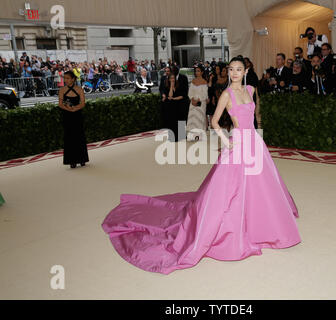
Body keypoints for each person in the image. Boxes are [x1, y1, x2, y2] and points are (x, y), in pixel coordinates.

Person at [101, 55, 301, 275]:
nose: (234, 73)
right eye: (231, 69)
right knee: (231, 191)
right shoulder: (227, 94)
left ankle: (262, 225)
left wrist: (259, 131)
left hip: (255, 142)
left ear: (245, 72)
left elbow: (256, 115)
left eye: (238, 69)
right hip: (237, 143)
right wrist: (227, 142)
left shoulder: (252, 90)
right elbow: (214, 122)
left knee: (261, 185)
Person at [58, 71, 89, 168]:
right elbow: (60, 104)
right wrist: (68, 109)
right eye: (65, 78)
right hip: (67, 116)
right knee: (69, 137)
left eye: (67, 78)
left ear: (73, 79)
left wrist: (75, 109)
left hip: (77, 115)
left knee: (79, 136)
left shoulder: (79, 89)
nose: (65, 80)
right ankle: (72, 161)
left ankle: (82, 159)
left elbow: (83, 103)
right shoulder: (62, 90)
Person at [186, 65, 209, 141]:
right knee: (192, 119)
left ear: (202, 72)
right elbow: (190, 92)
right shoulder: (193, 81)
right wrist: (192, 99)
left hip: (201, 103)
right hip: (192, 103)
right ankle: (192, 136)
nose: (197, 72)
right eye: (196, 71)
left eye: (198, 71)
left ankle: (200, 136)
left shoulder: (204, 82)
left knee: (200, 118)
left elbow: (205, 95)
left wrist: (198, 100)